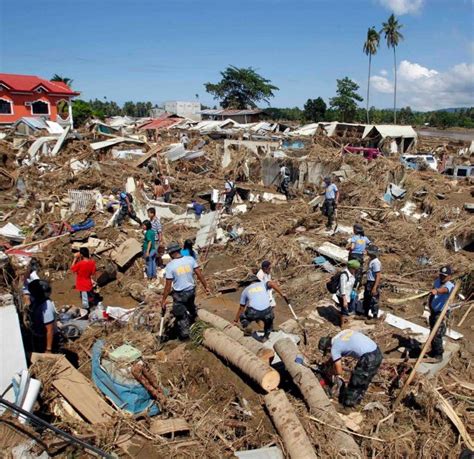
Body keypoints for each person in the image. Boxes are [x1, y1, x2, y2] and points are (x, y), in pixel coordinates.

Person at [318, 330, 383, 408]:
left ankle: (348, 407)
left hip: (369, 357)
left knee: (356, 382)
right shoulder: (340, 335)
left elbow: (339, 371)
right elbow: (336, 357)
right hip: (376, 350)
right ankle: (356, 402)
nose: (329, 353)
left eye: (328, 351)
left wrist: (330, 372)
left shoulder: (335, 348)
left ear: (328, 347)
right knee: (364, 380)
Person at [160, 242, 210, 340]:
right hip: (191, 291)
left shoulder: (170, 266)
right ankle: (196, 323)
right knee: (191, 307)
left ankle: (186, 336)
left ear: (171, 253)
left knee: (180, 315)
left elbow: (168, 285)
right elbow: (199, 274)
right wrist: (206, 286)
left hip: (180, 294)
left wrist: (164, 299)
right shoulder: (190, 259)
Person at [234, 275, 288, 342]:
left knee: (243, 317)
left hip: (254, 312)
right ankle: (266, 336)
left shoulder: (245, 290)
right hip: (267, 310)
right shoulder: (263, 284)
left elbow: (241, 308)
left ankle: (247, 325)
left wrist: (235, 321)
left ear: (248, 283)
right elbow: (271, 283)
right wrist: (282, 293)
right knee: (269, 322)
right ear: (257, 280)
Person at [428, 266, 455, 361]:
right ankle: (433, 351)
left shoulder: (450, 285)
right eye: (441, 275)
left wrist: (437, 290)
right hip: (434, 311)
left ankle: (439, 355)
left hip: (442, 314)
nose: (442, 277)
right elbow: (432, 293)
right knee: (432, 332)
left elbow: (444, 290)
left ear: (449, 277)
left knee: (437, 334)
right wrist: (430, 306)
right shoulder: (437, 281)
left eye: (444, 276)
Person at [28, 279, 58, 353]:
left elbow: (49, 330)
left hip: (46, 340)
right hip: (39, 336)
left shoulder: (46, 307)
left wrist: (48, 349)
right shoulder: (37, 301)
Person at [336, 259, 360, 327]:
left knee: (347, 308)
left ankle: (343, 317)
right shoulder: (344, 275)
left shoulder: (352, 273)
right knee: (344, 310)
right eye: (355, 269)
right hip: (342, 295)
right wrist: (344, 300)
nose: (356, 270)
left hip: (348, 294)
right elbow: (342, 287)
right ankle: (342, 325)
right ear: (351, 268)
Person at [363, 246, 382, 322]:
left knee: (374, 300)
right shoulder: (372, 260)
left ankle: (374, 317)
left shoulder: (376, 262)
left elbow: (378, 275)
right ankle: (365, 314)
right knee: (367, 298)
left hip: (373, 283)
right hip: (369, 282)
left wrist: (375, 287)